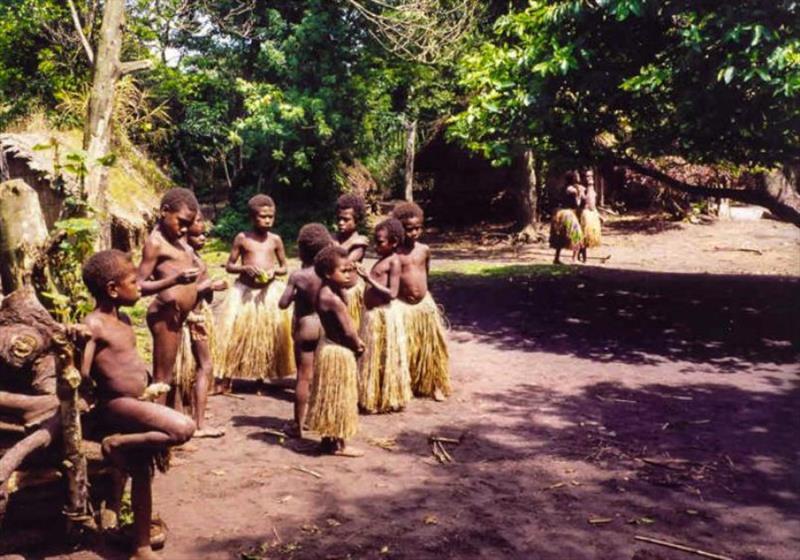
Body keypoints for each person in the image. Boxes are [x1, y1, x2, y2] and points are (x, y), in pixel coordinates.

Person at [81, 250, 195, 560]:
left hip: (135, 402)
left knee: (142, 472)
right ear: (112, 289)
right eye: (134, 281)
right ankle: (115, 444)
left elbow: (128, 363)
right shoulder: (94, 324)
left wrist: (149, 384)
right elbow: (81, 373)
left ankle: (141, 546)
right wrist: (75, 346)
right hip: (116, 406)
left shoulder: (124, 318)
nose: (141, 287)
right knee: (184, 427)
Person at [215, 195, 294, 391]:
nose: (267, 220)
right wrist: (244, 269)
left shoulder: (275, 240)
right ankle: (227, 378)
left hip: (267, 292)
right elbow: (230, 266)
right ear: (252, 217)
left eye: (271, 216)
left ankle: (261, 378)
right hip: (244, 293)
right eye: (263, 216)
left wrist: (274, 271)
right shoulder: (242, 238)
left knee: (266, 336)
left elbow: (285, 267)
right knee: (235, 334)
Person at [136, 188, 201, 408]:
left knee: (170, 374)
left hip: (179, 316)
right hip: (165, 315)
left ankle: (167, 422)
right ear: (164, 211)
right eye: (181, 222)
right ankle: (157, 432)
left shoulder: (179, 239)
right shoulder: (155, 243)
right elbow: (138, 286)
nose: (184, 229)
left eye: (188, 224)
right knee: (161, 379)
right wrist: (174, 281)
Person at [306, 245, 365, 457]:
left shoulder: (326, 291)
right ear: (328, 274)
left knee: (330, 396)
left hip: (328, 347)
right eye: (344, 271)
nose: (350, 274)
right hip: (338, 351)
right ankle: (340, 445)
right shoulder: (332, 299)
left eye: (351, 269)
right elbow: (348, 330)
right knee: (339, 397)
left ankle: (327, 441)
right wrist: (358, 345)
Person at [173, 212, 227, 437]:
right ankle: (199, 424)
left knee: (187, 370)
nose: (204, 238)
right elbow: (185, 291)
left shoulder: (188, 256)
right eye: (199, 235)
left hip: (193, 318)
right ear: (186, 234)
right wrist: (209, 286)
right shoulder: (188, 259)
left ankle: (187, 416)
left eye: (205, 234)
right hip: (191, 320)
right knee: (203, 367)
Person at [278, 223, 333, 438]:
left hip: (305, 327)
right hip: (325, 326)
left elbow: (282, 304)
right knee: (320, 376)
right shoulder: (328, 273)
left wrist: (291, 295)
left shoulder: (298, 276)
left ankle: (298, 426)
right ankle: (316, 419)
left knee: (303, 377)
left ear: (301, 250)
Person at [391, 202, 451, 402]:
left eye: (418, 228)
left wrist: (427, 297)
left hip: (424, 306)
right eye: (409, 229)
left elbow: (426, 274)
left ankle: (434, 385)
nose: (414, 233)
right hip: (402, 307)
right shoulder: (395, 254)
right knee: (404, 349)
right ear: (400, 229)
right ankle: (404, 386)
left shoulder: (424, 250)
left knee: (431, 350)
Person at [356, 218, 411, 413]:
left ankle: (387, 398)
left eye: (380, 242)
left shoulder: (394, 262)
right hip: (372, 316)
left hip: (383, 316)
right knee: (373, 357)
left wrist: (367, 278)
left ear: (394, 242)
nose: (376, 245)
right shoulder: (382, 260)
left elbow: (392, 293)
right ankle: (373, 397)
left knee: (384, 359)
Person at [335, 194, 370, 331]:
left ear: (357, 220)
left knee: (352, 330)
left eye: (346, 219)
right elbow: (328, 260)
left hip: (352, 294)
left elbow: (341, 264)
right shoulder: (334, 238)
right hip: (333, 294)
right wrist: (350, 244)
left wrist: (351, 243)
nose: (341, 223)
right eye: (339, 219)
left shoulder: (361, 241)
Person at [549, 171, 584, 264]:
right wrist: (580, 195)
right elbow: (577, 204)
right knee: (577, 234)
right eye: (577, 176)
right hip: (568, 213)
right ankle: (574, 258)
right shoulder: (573, 190)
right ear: (574, 178)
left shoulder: (562, 188)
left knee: (560, 235)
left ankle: (556, 258)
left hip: (560, 213)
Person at [579, 170, 602, 263]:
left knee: (588, 237)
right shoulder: (581, 189)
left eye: (591, 176)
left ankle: (582, 256)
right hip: (585, 214)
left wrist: (598, 215)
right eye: (587, 176)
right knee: (584, 236)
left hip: (592, 214)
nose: (590, 178)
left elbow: (593, 204)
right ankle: (582, 256)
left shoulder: (591, 188)